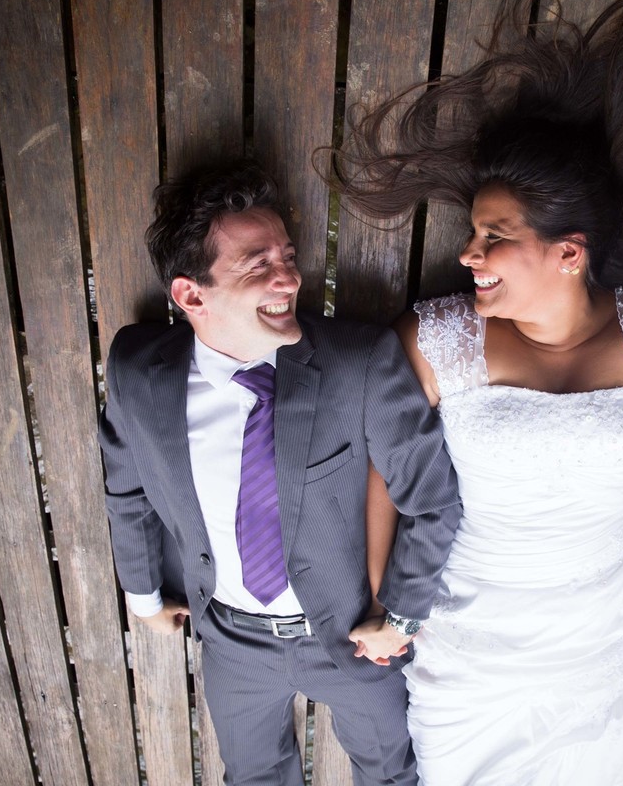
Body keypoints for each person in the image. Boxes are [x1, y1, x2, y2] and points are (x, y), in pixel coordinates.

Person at [330, 0, 623, 783]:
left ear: (569, 254)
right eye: (473, 233)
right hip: (472, 620)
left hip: (602, 605)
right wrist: (383, 600)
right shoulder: (436, 341)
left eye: (493, 237)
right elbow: (380, 471)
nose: (469, 254)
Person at [97, 159, 462, 786]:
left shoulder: (359, 362)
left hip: (352, 638)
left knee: (391, 775)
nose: (289, 277)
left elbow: (433, 500)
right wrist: (143, 596)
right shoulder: (138, 370)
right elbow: (126, 487)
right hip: (230, 640)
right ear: (191, 296)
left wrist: (400, 618)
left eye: (288, 256)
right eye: (257, 264)